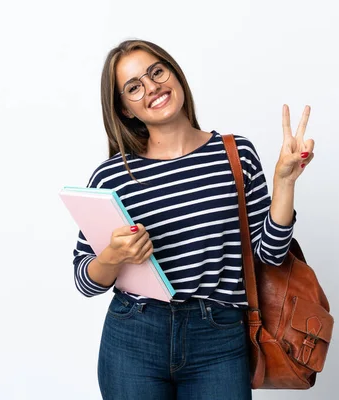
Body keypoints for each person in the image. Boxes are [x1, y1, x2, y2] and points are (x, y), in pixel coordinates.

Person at [71, 39, 315, 400]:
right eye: (134, 87)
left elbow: (270, 255)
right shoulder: (113, 177)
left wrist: (284, 184)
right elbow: (85, 280)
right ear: (124, 110)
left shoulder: (235, 154)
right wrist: (113, 257)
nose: (152, 87)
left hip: (218, 336)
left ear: (175, 74)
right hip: (133, 335)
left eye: (157, 71)